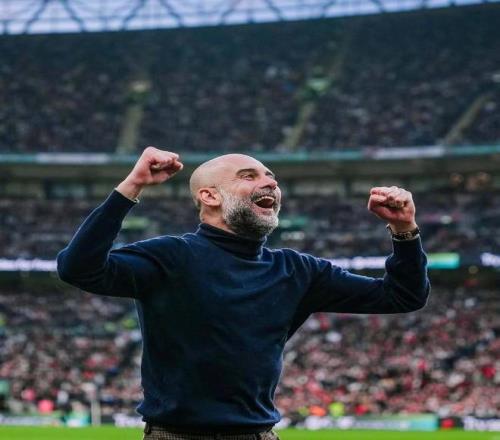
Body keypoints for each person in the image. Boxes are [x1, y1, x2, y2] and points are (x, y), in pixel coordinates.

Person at [57, 146, 430, 440]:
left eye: (271, 177)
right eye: (248, 176)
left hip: (258, 434)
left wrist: (404, 231)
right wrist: (131, 186)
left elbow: (403, 297)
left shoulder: (298, 270)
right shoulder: (170, 256)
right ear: (210, 196)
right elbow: (78, 268)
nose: (269, 183)